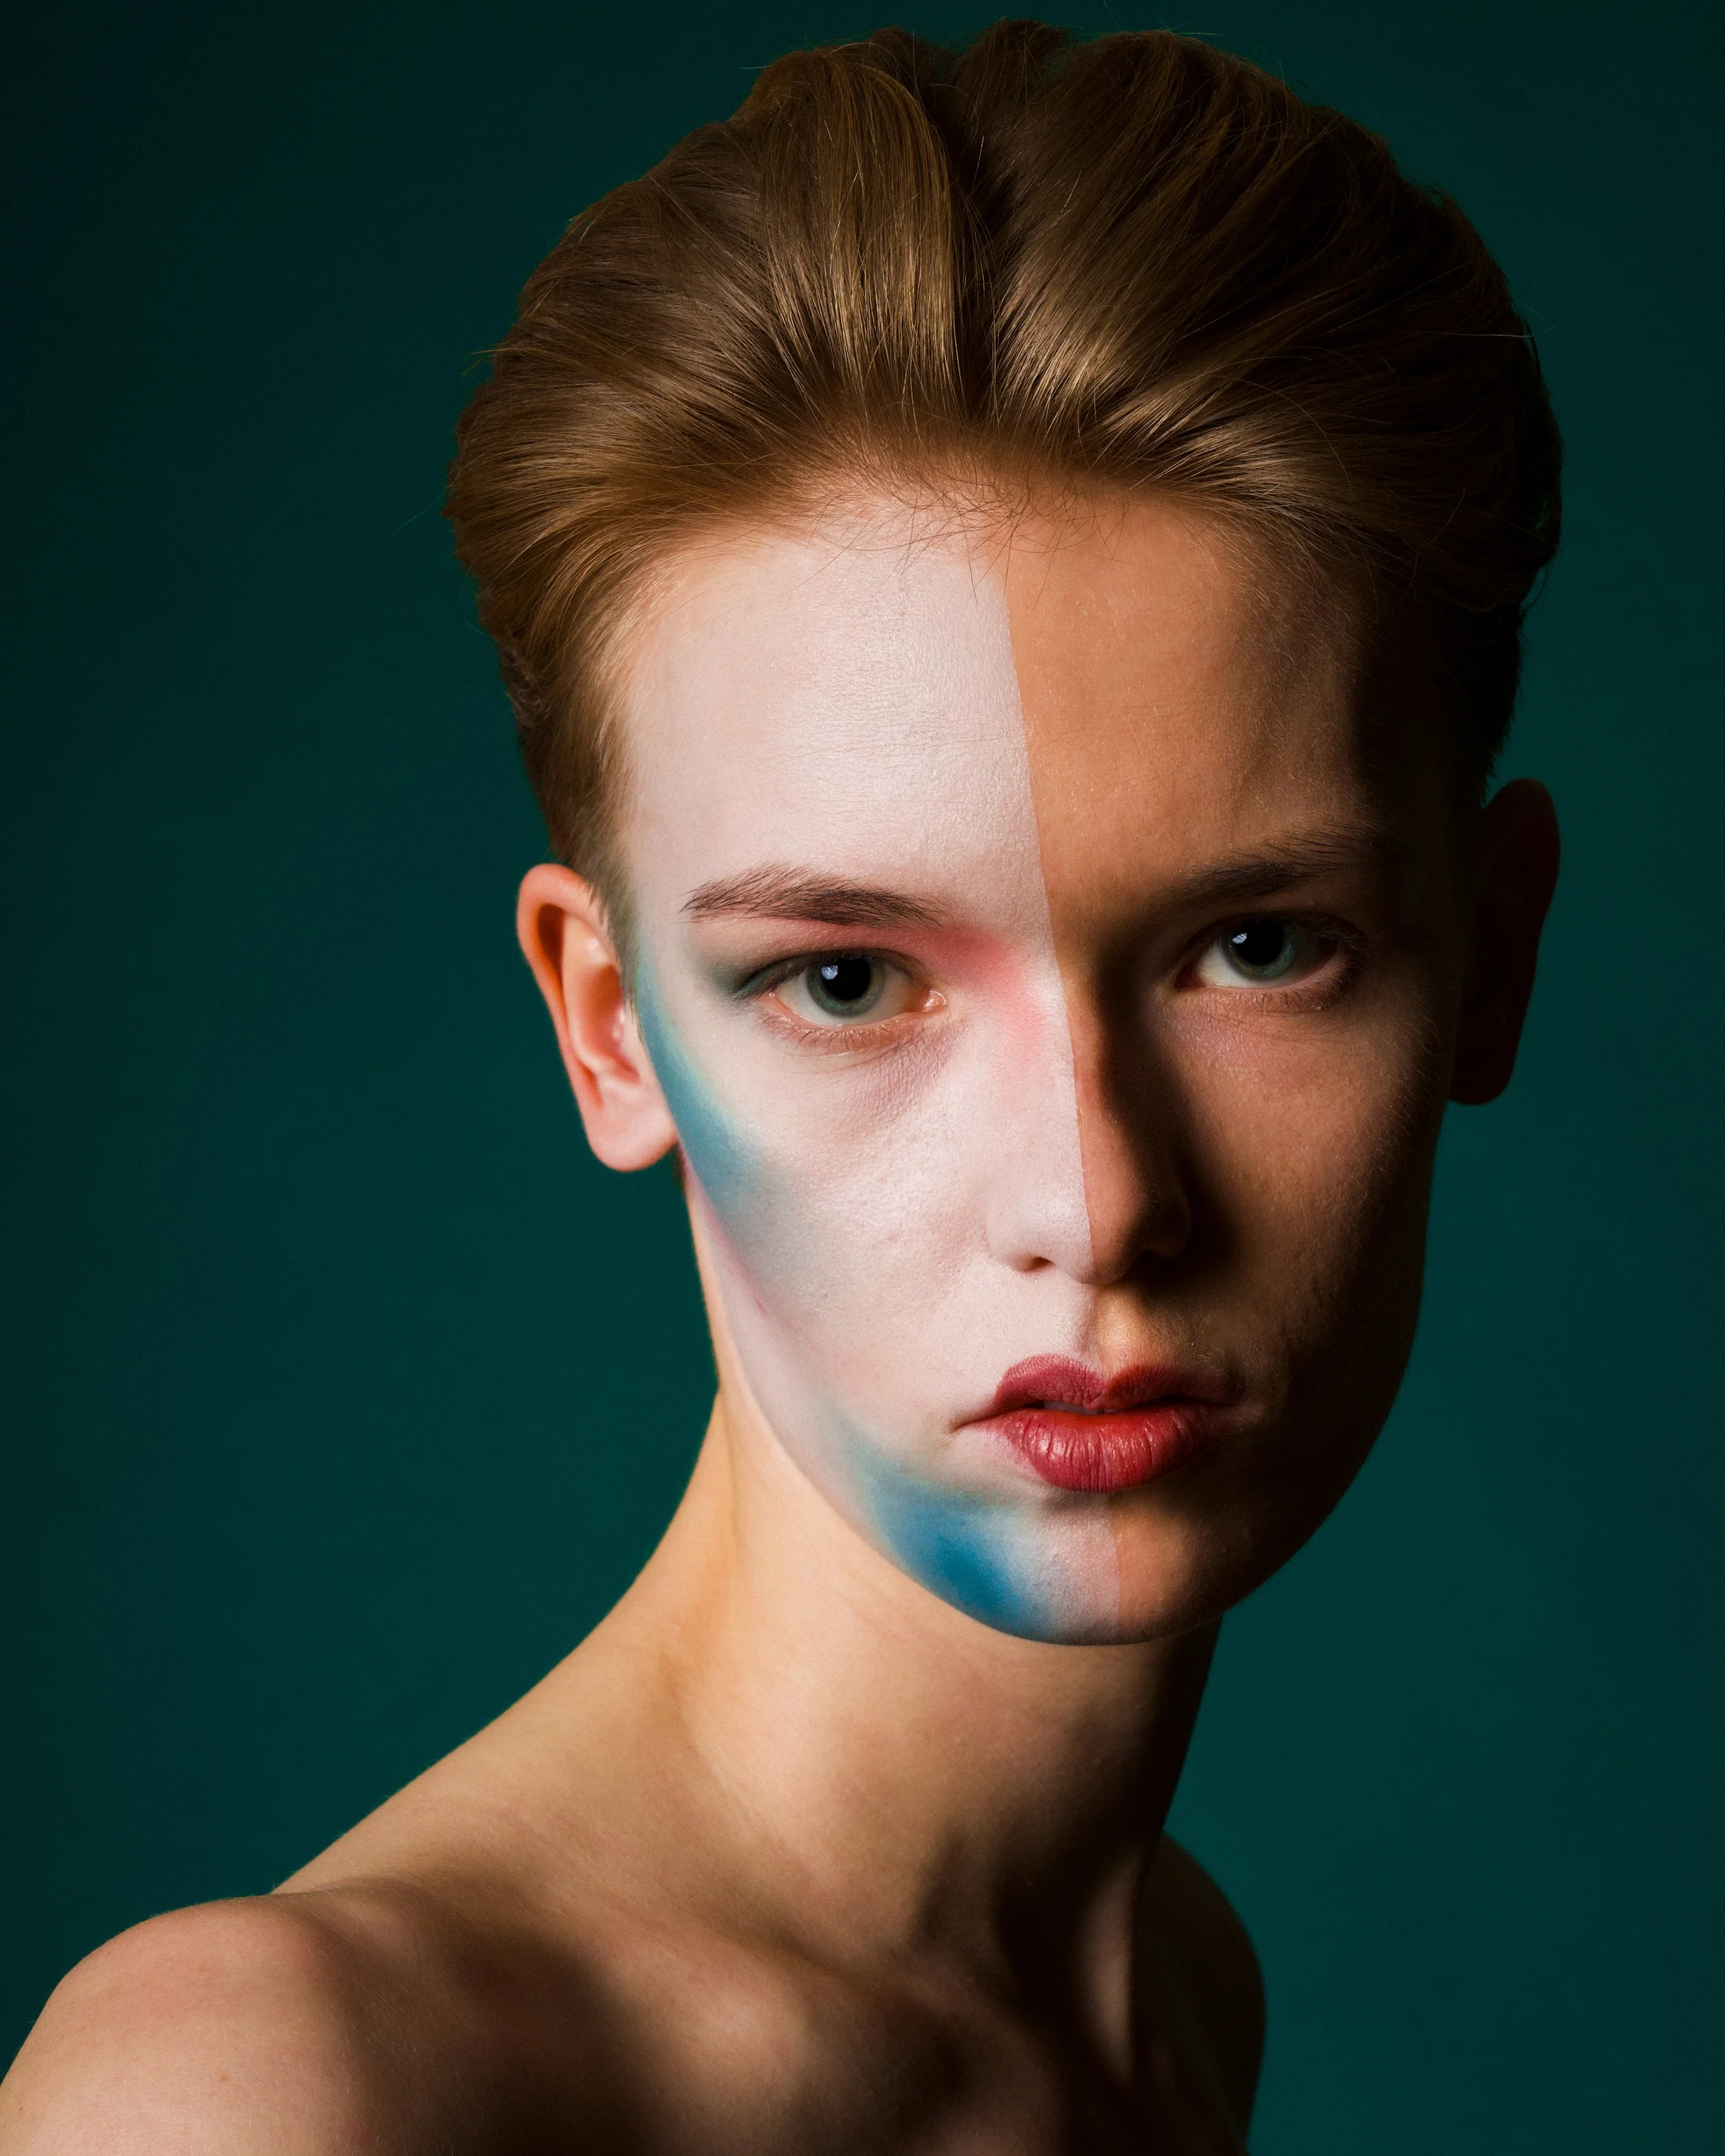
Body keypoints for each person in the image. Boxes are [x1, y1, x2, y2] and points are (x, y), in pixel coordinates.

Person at [0, 20, 1561, 2153]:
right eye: (845, 978)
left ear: (1490, 951)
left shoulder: (1174, 2000)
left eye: (1256, 945)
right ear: (608, 1021)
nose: (1093, 1200)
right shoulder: (275, 2088)